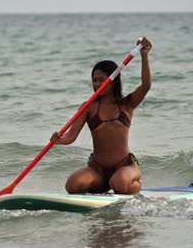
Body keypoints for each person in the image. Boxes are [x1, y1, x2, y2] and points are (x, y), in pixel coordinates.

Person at [50, 37, 152, 194]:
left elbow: (146, 86)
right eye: (94, 80)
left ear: (113, 81)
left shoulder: (126, 104)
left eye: (101, 80)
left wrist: (144, 55)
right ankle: (105, 185)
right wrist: (58, 140)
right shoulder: (88, 107)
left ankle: (134, 182)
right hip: (97, 169)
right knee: (73, 185)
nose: (97, 84)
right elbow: (71, 136)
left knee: (120, 184)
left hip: (124, 166)